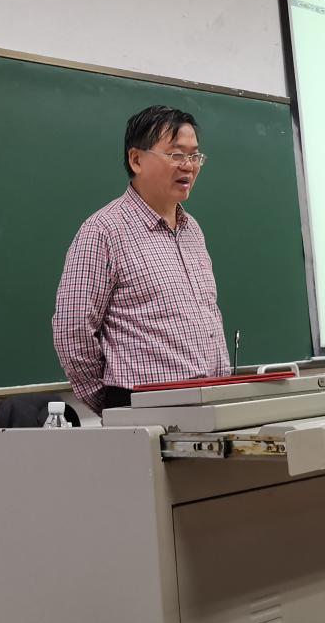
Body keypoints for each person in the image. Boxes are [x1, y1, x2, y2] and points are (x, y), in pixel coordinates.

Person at [52, 105, 231, 414]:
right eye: (176, 154)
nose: (188, 166)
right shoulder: (104, 230)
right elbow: (73, 328)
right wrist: (114, 404)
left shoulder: (192, 229)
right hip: (144, 409)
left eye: (194, 156)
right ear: (136, 159)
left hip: (211, 402)